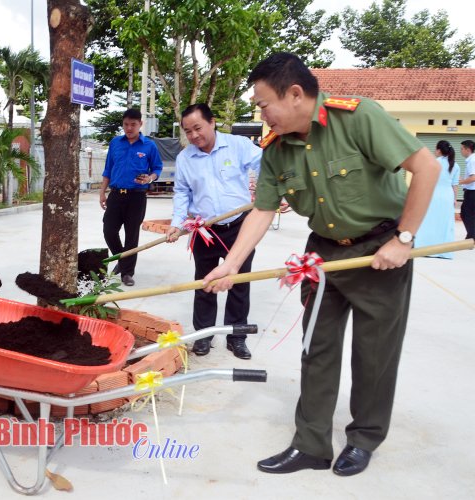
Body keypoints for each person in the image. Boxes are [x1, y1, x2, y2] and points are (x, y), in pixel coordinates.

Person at [202, 53, 438, 477]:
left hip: (379, 254)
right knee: (317, 350)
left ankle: (364, 438)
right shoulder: (275, 148)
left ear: (295, 94)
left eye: (262, 103)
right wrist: (230, 264)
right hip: (323, 258)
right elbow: (262, 210)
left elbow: (426, 167)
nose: (261, 113)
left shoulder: (359, 117)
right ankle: (310, 443)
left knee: (375, 355)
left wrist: (404, 239)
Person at [165, 104, 261, 358]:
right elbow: (182, 192)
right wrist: (176, 223)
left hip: (240, 227)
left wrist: (270, 190)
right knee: (204, 283)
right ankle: (203, 335)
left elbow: (265, 164)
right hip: (204, 230)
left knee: (239, 283)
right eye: (188, 131)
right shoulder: (186, 158)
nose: (194, 135)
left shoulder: (237, 145)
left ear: (212, 122)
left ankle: (237, 336)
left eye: (198, 128)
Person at [99, 109, 163, 286]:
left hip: (137, 197)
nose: (129, 128)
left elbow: (157, 168)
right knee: (109, 230)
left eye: (133, 124)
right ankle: (122, 259)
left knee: (131, 236)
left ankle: (127, 273)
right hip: (116, 195)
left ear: (140, 124)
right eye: (126, 124)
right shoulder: (115, 143)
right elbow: (108, 169)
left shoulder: (149, 146)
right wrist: (102, 192)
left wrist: (150, 178)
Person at [414, 140, 460, 257]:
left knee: (429, 220)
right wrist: (454, 199)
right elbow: (455, 184)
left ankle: (424, 248)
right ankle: (444, 251)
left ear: (439, 150)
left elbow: (426, 180)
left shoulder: (434, 163)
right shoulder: (455, 165)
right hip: (447, 195)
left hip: (433, 193)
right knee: (445, 222)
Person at [460, 140, 475, 239]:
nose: (461, 151)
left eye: (462, 149)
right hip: (471, 191)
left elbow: (473, 177)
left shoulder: (471, 160)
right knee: (469, 213)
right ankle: (471, 235)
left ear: (468, 149)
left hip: (472, 192)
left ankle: (471, 237)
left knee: (466, 213)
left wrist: (460, 182)